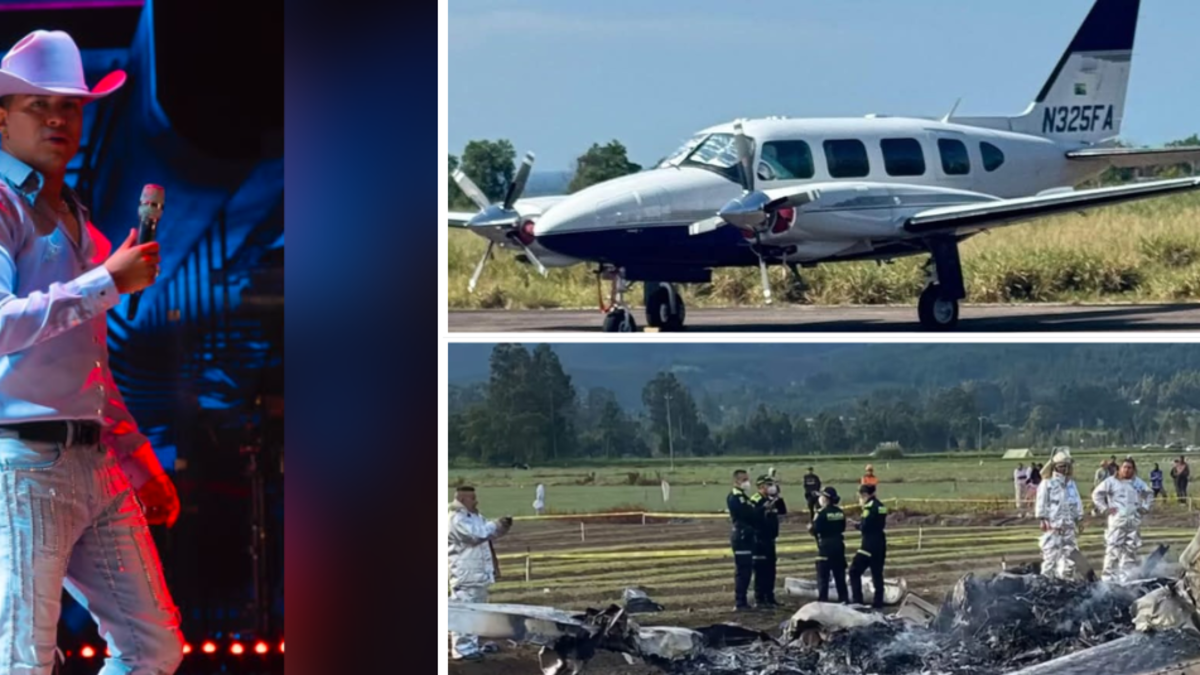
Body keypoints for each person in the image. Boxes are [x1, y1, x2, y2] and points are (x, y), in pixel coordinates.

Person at [0, 30, 187, 675]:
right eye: (38, 105)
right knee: (22, 660)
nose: (57, 118)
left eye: (70, 106)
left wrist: (139, 460)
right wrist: (106, 282)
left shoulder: (78, 220)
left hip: (93, 459)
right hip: (22, 461)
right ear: (2, 117)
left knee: (153, 648)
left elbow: (91, 368)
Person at [448, 486, 513, 661]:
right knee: (465, 611)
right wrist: (496, 524)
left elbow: (488, 534)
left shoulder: (475, 517)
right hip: (465, 573)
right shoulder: (456, 518)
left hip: (478, 573)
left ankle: (471, 646)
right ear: (462, 499)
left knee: (476, 612)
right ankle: (462, 650)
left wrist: (502, 527)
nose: (476, 502)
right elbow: (476, 535)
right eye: (472, 498)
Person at [1091, 458, 1152, 584]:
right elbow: (1096, 494)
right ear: (1119, 469)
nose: (1127, 470)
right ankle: (1108, 580)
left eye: (1130, 467)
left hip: (1133, 522)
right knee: (1113, 550)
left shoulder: (1137, 483)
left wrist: (1144, 508)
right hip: (1117, 522)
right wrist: (1105, 508)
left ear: (1133, 469)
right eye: (1125, 467)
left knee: (1130, 551)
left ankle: (1126, 580)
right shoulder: (1111, 482)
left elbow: (1149, 494)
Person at [1035, 451, 1084, 580]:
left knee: (1070, 558)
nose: (1063, 469)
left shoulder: (1071, 484)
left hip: (1069, 526)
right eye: (1061, 466)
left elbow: (1077, 502)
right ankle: (1046, 582)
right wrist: (1042, 519)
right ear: (1055, 467)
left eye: (1066, 466)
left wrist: (1079, 519)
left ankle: (1066, 582)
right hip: (1053, 526)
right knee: (1050, 557)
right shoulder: (1047, 483)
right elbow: (1041, 502)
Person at [750, 475, 786, 608]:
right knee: (761, 570)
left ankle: (770, 598)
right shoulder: (756, 500)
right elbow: (753, 516)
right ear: (761, 486)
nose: (772, 487)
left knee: (771, 570)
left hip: (770, 539)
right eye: (769, 484)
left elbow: (782, 511)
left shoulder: (772, 499)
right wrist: (764, 507)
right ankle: (760, 599)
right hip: (759, 540)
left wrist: (778, 498)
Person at [849, 483, 888, 608]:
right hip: (880, 543)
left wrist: (856, 525)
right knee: (877, 573)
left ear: (865, 495)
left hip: (868, 544)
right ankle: (878, 602)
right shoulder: (881, 506)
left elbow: (865, 526)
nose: (860, 500)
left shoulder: (868, 508)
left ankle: (857, 601)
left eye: (860, 497)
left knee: (854, 571)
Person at [808, 486, 848, 603]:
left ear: (826, 498)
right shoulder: (840, 512)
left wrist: (810, 528)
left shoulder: (821, 513)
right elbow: (842, 527)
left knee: (823, 577)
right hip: (838, 545)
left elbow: (815, 530)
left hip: (825, 547)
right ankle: (844, 600)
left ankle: (823, 601)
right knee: (840, 576)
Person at [727, 469, 757, 611]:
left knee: (747, 570)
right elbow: (746, 514)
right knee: (743, 571)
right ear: (736, 481)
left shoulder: (743, 497)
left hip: (747, 536)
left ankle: (743, 601)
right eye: (744, 480)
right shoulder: (735, 497)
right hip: (741, 536)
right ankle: (740, 602)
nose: (747, 482)